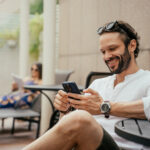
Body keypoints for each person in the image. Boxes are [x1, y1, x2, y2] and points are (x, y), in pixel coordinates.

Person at [23, 21, 150, 150]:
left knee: (80, 119)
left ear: (132, 45)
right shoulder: (98, 84)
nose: (106, 57)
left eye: (112, 49)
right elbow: (71, 129)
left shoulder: (147, 79)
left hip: (122, 147)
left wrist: (103, 107)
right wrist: (64, 111)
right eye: (103, 52)